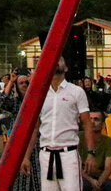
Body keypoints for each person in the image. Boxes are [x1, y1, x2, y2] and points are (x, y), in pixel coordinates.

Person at [20, 58, 96, 191]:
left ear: (66, 67)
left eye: (60, 59)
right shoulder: (40, 93)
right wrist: (26, 156)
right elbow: (35, 128)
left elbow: (87, 123)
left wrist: (90, 153)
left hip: (68, 154)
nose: (56, 61)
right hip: (46, 154)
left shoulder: (76, 92)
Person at [84, 109, 111, 191]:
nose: (92, 122)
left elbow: (108, 168)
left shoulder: (109, 141)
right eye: (90, 119)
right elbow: (75, 167)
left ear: (103, 125)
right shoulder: (78, 138)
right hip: (82, 177)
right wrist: (91, 181)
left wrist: (98, 183)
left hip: (100, 177)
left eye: (96, 119)